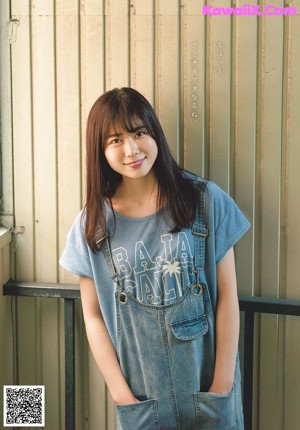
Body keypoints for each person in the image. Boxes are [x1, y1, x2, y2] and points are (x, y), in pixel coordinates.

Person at [60, 87, 250, 430]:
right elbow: (93, 316)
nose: (131, 149)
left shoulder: (205, 201)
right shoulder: (92, 223)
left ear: (154, 133)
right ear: (100, 150)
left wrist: (222, 385)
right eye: (115, 140)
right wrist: (121, 396)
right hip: (142, 401)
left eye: (139, 133)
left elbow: (227, 298)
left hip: (210, 392)